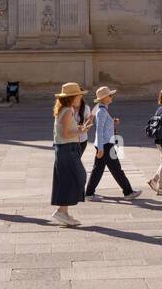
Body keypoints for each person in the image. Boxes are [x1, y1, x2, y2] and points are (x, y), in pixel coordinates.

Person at [84, 87, 141, 199]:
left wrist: (112, 122)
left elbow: (104, 127)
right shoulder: (101, 112)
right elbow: (99, 130)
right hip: (105, 145)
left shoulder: (103, 110)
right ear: (104, 98)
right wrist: (100, 148)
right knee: (116, 169)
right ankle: (128, 192)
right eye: (110, 95)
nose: (111, 97)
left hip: (104, 144)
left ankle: (89, 193)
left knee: (98, 170)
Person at [51, 83, 91, 227]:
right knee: (78, 177)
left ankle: (64, 212)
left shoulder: (65, 109)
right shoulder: (68, 111)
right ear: (72, 97)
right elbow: (66, 133)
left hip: (67, 149)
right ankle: (61, 211)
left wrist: (80, 128)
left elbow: (65, 130)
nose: (81, 97)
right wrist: (81, 131)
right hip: (68, 149)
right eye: (79, 95)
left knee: (69, 179)